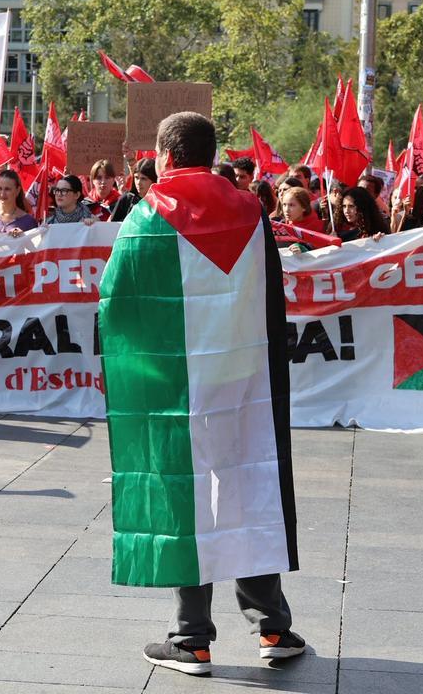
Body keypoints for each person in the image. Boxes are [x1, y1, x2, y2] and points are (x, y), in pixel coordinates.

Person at [98, 111, 303, 677]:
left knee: (187, 497)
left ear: (164, 157)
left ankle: (192, 640)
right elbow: (271, 295)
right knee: (249, 487)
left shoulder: (146, 216)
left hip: (178, 388)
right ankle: (274, 628)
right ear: (212, 155)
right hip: (247, 384)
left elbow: (116, 306)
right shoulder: (252, 209)